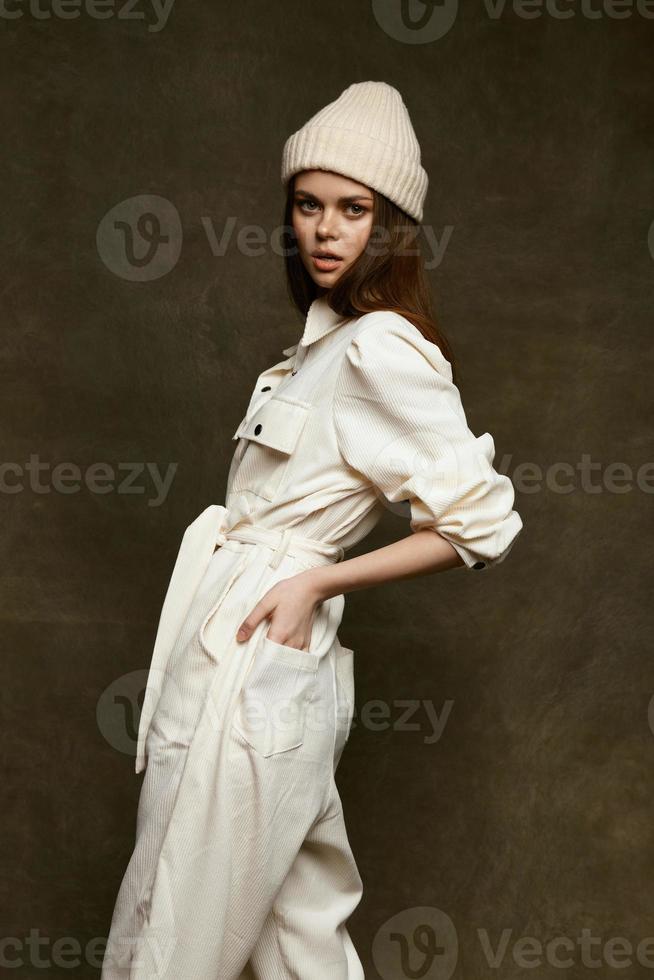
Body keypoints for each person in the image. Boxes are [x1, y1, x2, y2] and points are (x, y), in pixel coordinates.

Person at [101, 80, 524, 980]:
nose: (327, 229)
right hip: (238, 644)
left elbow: (479, 520)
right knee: (298, 943)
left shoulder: (380, 348)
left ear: (392, 223)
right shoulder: (310, 354)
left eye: (354, 208)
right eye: (308, 205)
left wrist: (315, 582)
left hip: (261, 652)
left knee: (175, 929)